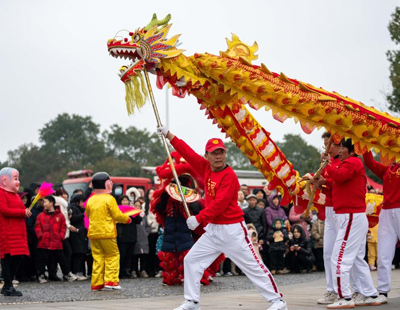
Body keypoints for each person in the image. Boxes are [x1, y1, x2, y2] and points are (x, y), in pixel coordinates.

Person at [157, 127, 287, 310]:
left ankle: (277, 301)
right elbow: (187, 152)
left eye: (221, 153)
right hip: (214, 231)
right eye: (214, 153)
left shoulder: (229, 176)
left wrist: (198, 219)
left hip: (233, 230)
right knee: (192, 260)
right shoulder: (204, 167)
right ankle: (192, 301)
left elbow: (220, 204)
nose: (218, 157)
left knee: (253, 266)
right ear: (207, 155)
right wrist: (169, 135)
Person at [320, 139, 381, 308]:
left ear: (350, 150)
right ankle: (369, 294)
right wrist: (322, 183)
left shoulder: (353, 162)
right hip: (350, 216)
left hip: (351, 216)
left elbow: (339, 176)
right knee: (354, 259)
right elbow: (337, 182)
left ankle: (344, 297)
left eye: (342, 148)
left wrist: (327, 164)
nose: (339, 151)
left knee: (338, 258)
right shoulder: (347, 163)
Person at [363, 150, 400, 304]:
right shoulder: (387, 169)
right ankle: (383, 291)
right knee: (384, 253)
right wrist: (363, 145)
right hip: (386, 212)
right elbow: (370, 163)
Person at [85, 172, 132, 291]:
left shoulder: (91, 200)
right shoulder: (109, 199)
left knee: (98, 257)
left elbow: (88, 214)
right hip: (107, 232)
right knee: (112, 255)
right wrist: (127, 219)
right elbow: (117, 215)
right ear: (107, 184)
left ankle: (97, 283)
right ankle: (111, 281)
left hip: (93, 233)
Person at [0, 167, 31, 296]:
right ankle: (8, 285)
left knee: (18, 258)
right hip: (7, 233)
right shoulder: (1, 193)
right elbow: (4, 210)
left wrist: (25, 212)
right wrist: (22, 212)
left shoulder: (15, 195)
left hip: (18, 234)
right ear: (5, 180)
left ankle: (8, 283)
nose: (18, 182)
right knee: (8, 259)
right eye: (15, 178)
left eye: (18, 179)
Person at [34, 195, 77, 283]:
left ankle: (66, 274)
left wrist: (60, 236)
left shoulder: (60, 215)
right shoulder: (40, 215)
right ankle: (41, 275)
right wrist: (40, 236)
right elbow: (37, 227)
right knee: (42, 260)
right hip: (44, 242)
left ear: (51, 203)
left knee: (62, 259)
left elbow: (63, 227)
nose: (44, 204)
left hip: (56, 242)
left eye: (45, 202)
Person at [68, 194, 89, 280]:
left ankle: (80, 272)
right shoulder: (73, 208)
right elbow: (73, 219)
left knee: (81, 254)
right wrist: (84, 214)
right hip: (75, 234)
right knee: (77, 253)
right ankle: (75, 272)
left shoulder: (80, 209)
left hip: (81, 234)